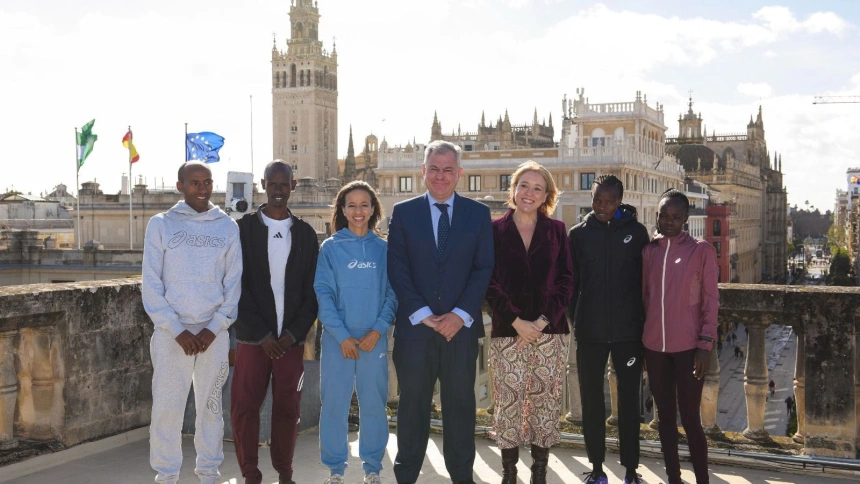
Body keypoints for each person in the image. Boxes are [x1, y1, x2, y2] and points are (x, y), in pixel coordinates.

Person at [387, 140, 494, 484]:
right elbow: (397, 268)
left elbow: (483, 268)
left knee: (460, 409)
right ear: (423, 171)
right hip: (415, 331)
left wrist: (459, 315)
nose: (440, 176)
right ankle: (406, 476)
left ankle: (462, 477)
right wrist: (423, 314)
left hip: (460, 332)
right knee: (412, 408)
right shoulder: (403, 213)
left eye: (448, 169)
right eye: (433, 168)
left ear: (459, 173)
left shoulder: (478, 215)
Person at [143, 161, 242, 484]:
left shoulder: (227, 227)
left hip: (213, 335)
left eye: (207, 182)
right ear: (180, 186)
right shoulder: (161, 225)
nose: (202, 188)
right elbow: (151, 284)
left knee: (211, 408)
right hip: (171, 335)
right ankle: (166, 475)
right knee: (167, 408)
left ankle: (209, 473)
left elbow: (233, 284)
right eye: (195, 182)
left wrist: (214, 328)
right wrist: (177, 329)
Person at [485, 161, 574, 484]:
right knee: (508, 403)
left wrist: (539, 322)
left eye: (538, 188)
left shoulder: (557, 230)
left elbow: (566, 281)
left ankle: (539, 472)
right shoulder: (494, 231)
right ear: (514, 188)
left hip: (550, 333)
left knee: (544, 404)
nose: (529, 192)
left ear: (546, 195)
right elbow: (488, 281)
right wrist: (516, 321)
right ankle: (509, 473)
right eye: (524, 185)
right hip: (507, 333)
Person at [231, 160, 319, 484]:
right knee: (244, 409)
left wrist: (292, 334)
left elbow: (313, 292)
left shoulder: (306, 234)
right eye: (272, 185)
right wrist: (263, 334)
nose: (278, 191)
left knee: (288, 410)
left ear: (293, 186)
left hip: (289, 343)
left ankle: (285, 473)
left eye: (284, 185)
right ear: (263, 185)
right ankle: (250, 475)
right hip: (253, 340)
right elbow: (235, 286)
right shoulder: (243, 230)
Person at [567, 174, 650, 484]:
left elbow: (645, 284)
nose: (602, 207)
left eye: (609, 201)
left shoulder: (637, 233)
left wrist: (641, 326)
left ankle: (630, 470)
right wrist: (577, 319)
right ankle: (597, 469)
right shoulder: (578, 235)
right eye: (597, 200)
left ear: (619, 201)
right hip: (590, 334)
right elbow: (571, 284)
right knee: (592, 402)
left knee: (629, 403)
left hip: (629, 334)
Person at [314, 181, 397, 484]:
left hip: (373, 340)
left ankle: (372, 469)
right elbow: (323, 294)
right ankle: (335, 470)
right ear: (343, 209)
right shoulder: (331, 248)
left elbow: (392, 294)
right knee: (334, 404)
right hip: (339, 341)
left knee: (374, 404)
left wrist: (378, 331)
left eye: (364, 205)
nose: (358, 211)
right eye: (351, 205)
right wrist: (341, 336)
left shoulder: (385, 249)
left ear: (374, 209)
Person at [642, 189, 719, 484]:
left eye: (675, 216)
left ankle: (702, 480)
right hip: (654, 348)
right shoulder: (649, 251)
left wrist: (705, 344)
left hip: (689, 349)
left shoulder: (701, 251)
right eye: (664, 215)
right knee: (664, 419)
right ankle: (673, 478)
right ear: (657, 216)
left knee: (690, 420)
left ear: (686, 218)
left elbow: (711, 300)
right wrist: (644, 343)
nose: (669, 221)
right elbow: (645, 298)